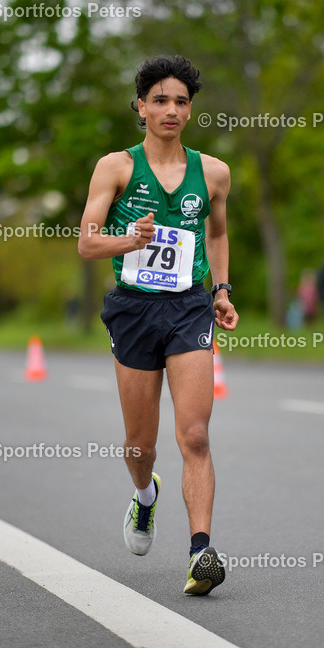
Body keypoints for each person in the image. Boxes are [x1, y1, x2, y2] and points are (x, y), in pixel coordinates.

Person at [77, 55, 238, 596]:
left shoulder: (213, 173)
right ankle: (145, 496)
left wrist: (221, 291)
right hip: (134, 309)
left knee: (195, 433)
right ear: (141, 106)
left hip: (189, 307)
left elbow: (217, 234)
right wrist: (131, 240)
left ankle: (200, 553)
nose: (171, 110)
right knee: (140, 445)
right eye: (161, 100)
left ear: (190, 110)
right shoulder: (115, 168)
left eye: (181, 102)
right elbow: (87, 243)